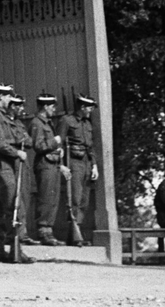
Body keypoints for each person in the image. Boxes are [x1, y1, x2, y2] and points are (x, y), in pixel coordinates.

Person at [0, 83, 34, 264]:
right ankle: (15, 250)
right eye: (8, 96)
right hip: (1, 166)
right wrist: (16, 153)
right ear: (1, 97)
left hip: (3, 166)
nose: (10, 99)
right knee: (14, 206)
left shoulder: (0, 116)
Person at [57, 94, 99, 245]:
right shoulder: (66, 121)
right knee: (74, 198)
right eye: (89, 107)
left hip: (87, 162)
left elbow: (90, 146)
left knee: (84, 200)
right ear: (82, 107)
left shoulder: (87, 124)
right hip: (73, 162)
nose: (91, 110)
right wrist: (60, 165)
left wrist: (94, 165)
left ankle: (75, 233)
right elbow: (58, 144)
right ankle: (76, 236)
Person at [29, 91, 67, 246]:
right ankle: (43, 232)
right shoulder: (37, 123)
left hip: (53, 163)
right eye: (52, 106)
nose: (53, 109)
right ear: (45, 106)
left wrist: (58, 149)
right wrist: (54, 142)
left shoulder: (46, 122)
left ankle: (48, 231)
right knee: (45, 198)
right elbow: (38, 145)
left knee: (53, 198)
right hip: (45, 164)